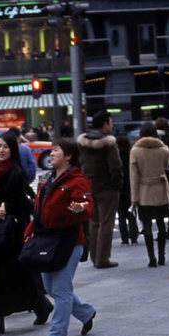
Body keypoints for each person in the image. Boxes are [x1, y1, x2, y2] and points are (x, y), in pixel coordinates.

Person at [0, 132, 51, 332]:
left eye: (5, 147)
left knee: (21, 275)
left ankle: (41, 306)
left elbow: (17, 203)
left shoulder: (16, 173)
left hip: (12, 234)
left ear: (12, 150)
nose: (1, 150)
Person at [34, 138, 95, 336]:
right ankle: (86, 313)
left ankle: (58, 333)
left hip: (69, 241)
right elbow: (39, 210)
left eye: (55, 151)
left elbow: (88, 205)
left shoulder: (77, 180)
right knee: (50, 287)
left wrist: (80, 209)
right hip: (47, 241)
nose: (51, 154)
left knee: (60, 289)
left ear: (68, 156)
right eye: (51, 151)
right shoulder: (48, 178)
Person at [77, 110, 122, 269]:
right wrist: (116, 185)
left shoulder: (82, 143)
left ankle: (94, 256)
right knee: (106, 223)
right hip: (106, 187)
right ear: (104, 124)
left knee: (93, 222)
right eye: (110, 122)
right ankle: (103, 258)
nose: (111, 125)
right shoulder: (108, 144)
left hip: (88, 186)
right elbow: (116, 167)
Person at [130, 122, 169, 267]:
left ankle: (151, 258)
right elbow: (167, 167)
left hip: (143, 192)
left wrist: (134, 198)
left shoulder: (135, 151)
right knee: (161, 223)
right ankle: (162, 256)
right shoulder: (163, 149)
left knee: (147, 225)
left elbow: (134, 176)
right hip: (160, 189)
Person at [115, 135, 139, 246]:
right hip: (131, 189)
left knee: (121, 215)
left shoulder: (115, 158)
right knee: (132, 214)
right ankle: (134, 237)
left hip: (119, 189)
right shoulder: (131, 156)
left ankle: (124, 238)